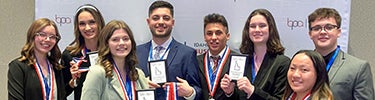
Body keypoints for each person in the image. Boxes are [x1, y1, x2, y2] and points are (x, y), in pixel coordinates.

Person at [136, 1, 201, 100]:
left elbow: (198, 90)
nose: (161, 22)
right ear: (148, 22)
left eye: (166, 18)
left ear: (172, 22)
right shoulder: (136, 52)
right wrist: (139, 84)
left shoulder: (187, 54)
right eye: (155, 18)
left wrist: (190, 92)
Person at [220, 9, 290, 100]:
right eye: (253, 26)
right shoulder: (242, 60)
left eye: (262, 26)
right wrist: (229, 92)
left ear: (270, 29)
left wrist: (253, 91)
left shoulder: (282, 63)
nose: (257, 30)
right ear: (247, 30)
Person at [307, 8, 374, 100]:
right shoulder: (300, 66)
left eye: (329, 27)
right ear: (310, 34)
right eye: (317, 28)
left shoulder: (358, 68)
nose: (322, 32)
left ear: (338, 32)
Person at [81, 20, 149, 100]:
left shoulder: (138, 74)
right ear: (106, 44)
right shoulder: (97, 73)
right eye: (115, 40)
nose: (121, 43)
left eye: (125, 39)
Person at [8, 18, 66, 100]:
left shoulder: (56, 67)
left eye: (52, 36)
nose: (47, 39)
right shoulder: (18, 67)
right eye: (42, 34)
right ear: (32, 36)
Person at [60, 4, 105, 100]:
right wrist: (73, 81)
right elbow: (61, 94)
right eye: (82, 24)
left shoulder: (110, 52)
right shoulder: (69, 55)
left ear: (99, 23)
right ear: (77, 27)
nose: (87, 28)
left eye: (92, 22)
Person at [197, 13, 239, 100]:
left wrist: (230, 92)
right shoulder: (196, 61)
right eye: (209, 33)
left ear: (227, 36)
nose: (214, 37)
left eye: (218, 33)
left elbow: (244, 95)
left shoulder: (238, 60)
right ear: (204, 37)